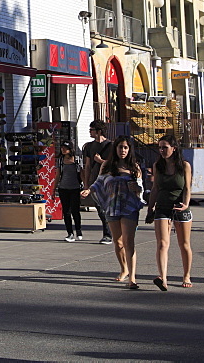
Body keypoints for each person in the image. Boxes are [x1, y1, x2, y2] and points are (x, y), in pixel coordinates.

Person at [83, 136, 145, 289]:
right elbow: (99, 182)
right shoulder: (107, 166)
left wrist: (137, 189)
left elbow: (141, 188)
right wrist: (89, 190)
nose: (122, 150)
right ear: (115, 149)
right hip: (112, 206)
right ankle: (124, 268)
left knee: (128, 241)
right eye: (120, 147)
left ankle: (133, 278)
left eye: (125, 147)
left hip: (129, 206)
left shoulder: (134, 167)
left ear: (129, 149)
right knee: (118, 241)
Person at [146, 134, 194, 290]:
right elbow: (155, 189)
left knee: (184, 244)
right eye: (160, 147)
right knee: (162, 244)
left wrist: (186, 204)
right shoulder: (157, 166)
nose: (162, 150)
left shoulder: (184, 166)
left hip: (179, 206)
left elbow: (187, 188)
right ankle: (163, 278)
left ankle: (186, 275)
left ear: (174, 148)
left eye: (165, 147)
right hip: (162, 206)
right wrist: (150, 208)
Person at [81, 120, 114, 244]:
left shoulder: (111, 146)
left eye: (92, 130)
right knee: (100, 208)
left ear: (99, 131)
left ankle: (109, 234)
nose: (90, 132)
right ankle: (108, 233)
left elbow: (113, 165)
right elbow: (88, 165)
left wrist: (100, 161)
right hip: (95, 181)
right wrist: (86, 183)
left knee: (108, 207)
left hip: (108, 180)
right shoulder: (89, 146)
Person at [54, 141, 83, 242]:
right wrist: (54, 189)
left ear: (70, 149)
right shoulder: (60, 160)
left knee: (75, 211)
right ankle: (70, 233)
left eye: (64, 148)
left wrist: (84, 187)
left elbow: (81, 174)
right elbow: (57, 175)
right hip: (63, 188)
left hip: (75, 188)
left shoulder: (77, 160)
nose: (62, 150)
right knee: (66, 212)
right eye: (61, 148)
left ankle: (78, 230)